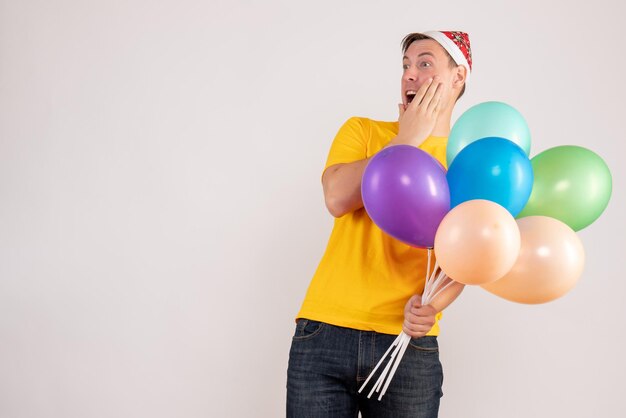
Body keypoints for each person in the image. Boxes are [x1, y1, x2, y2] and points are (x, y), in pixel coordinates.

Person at [287, 31, 473, 418]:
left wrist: (434, 306)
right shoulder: (364, 131)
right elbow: (337, 199)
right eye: (405, 65)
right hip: (323, 331)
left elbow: (467, 256)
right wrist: (405, 141)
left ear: (458, 77)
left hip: (408, 345)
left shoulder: (466, 163)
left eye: (424, 63)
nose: (409, 75)